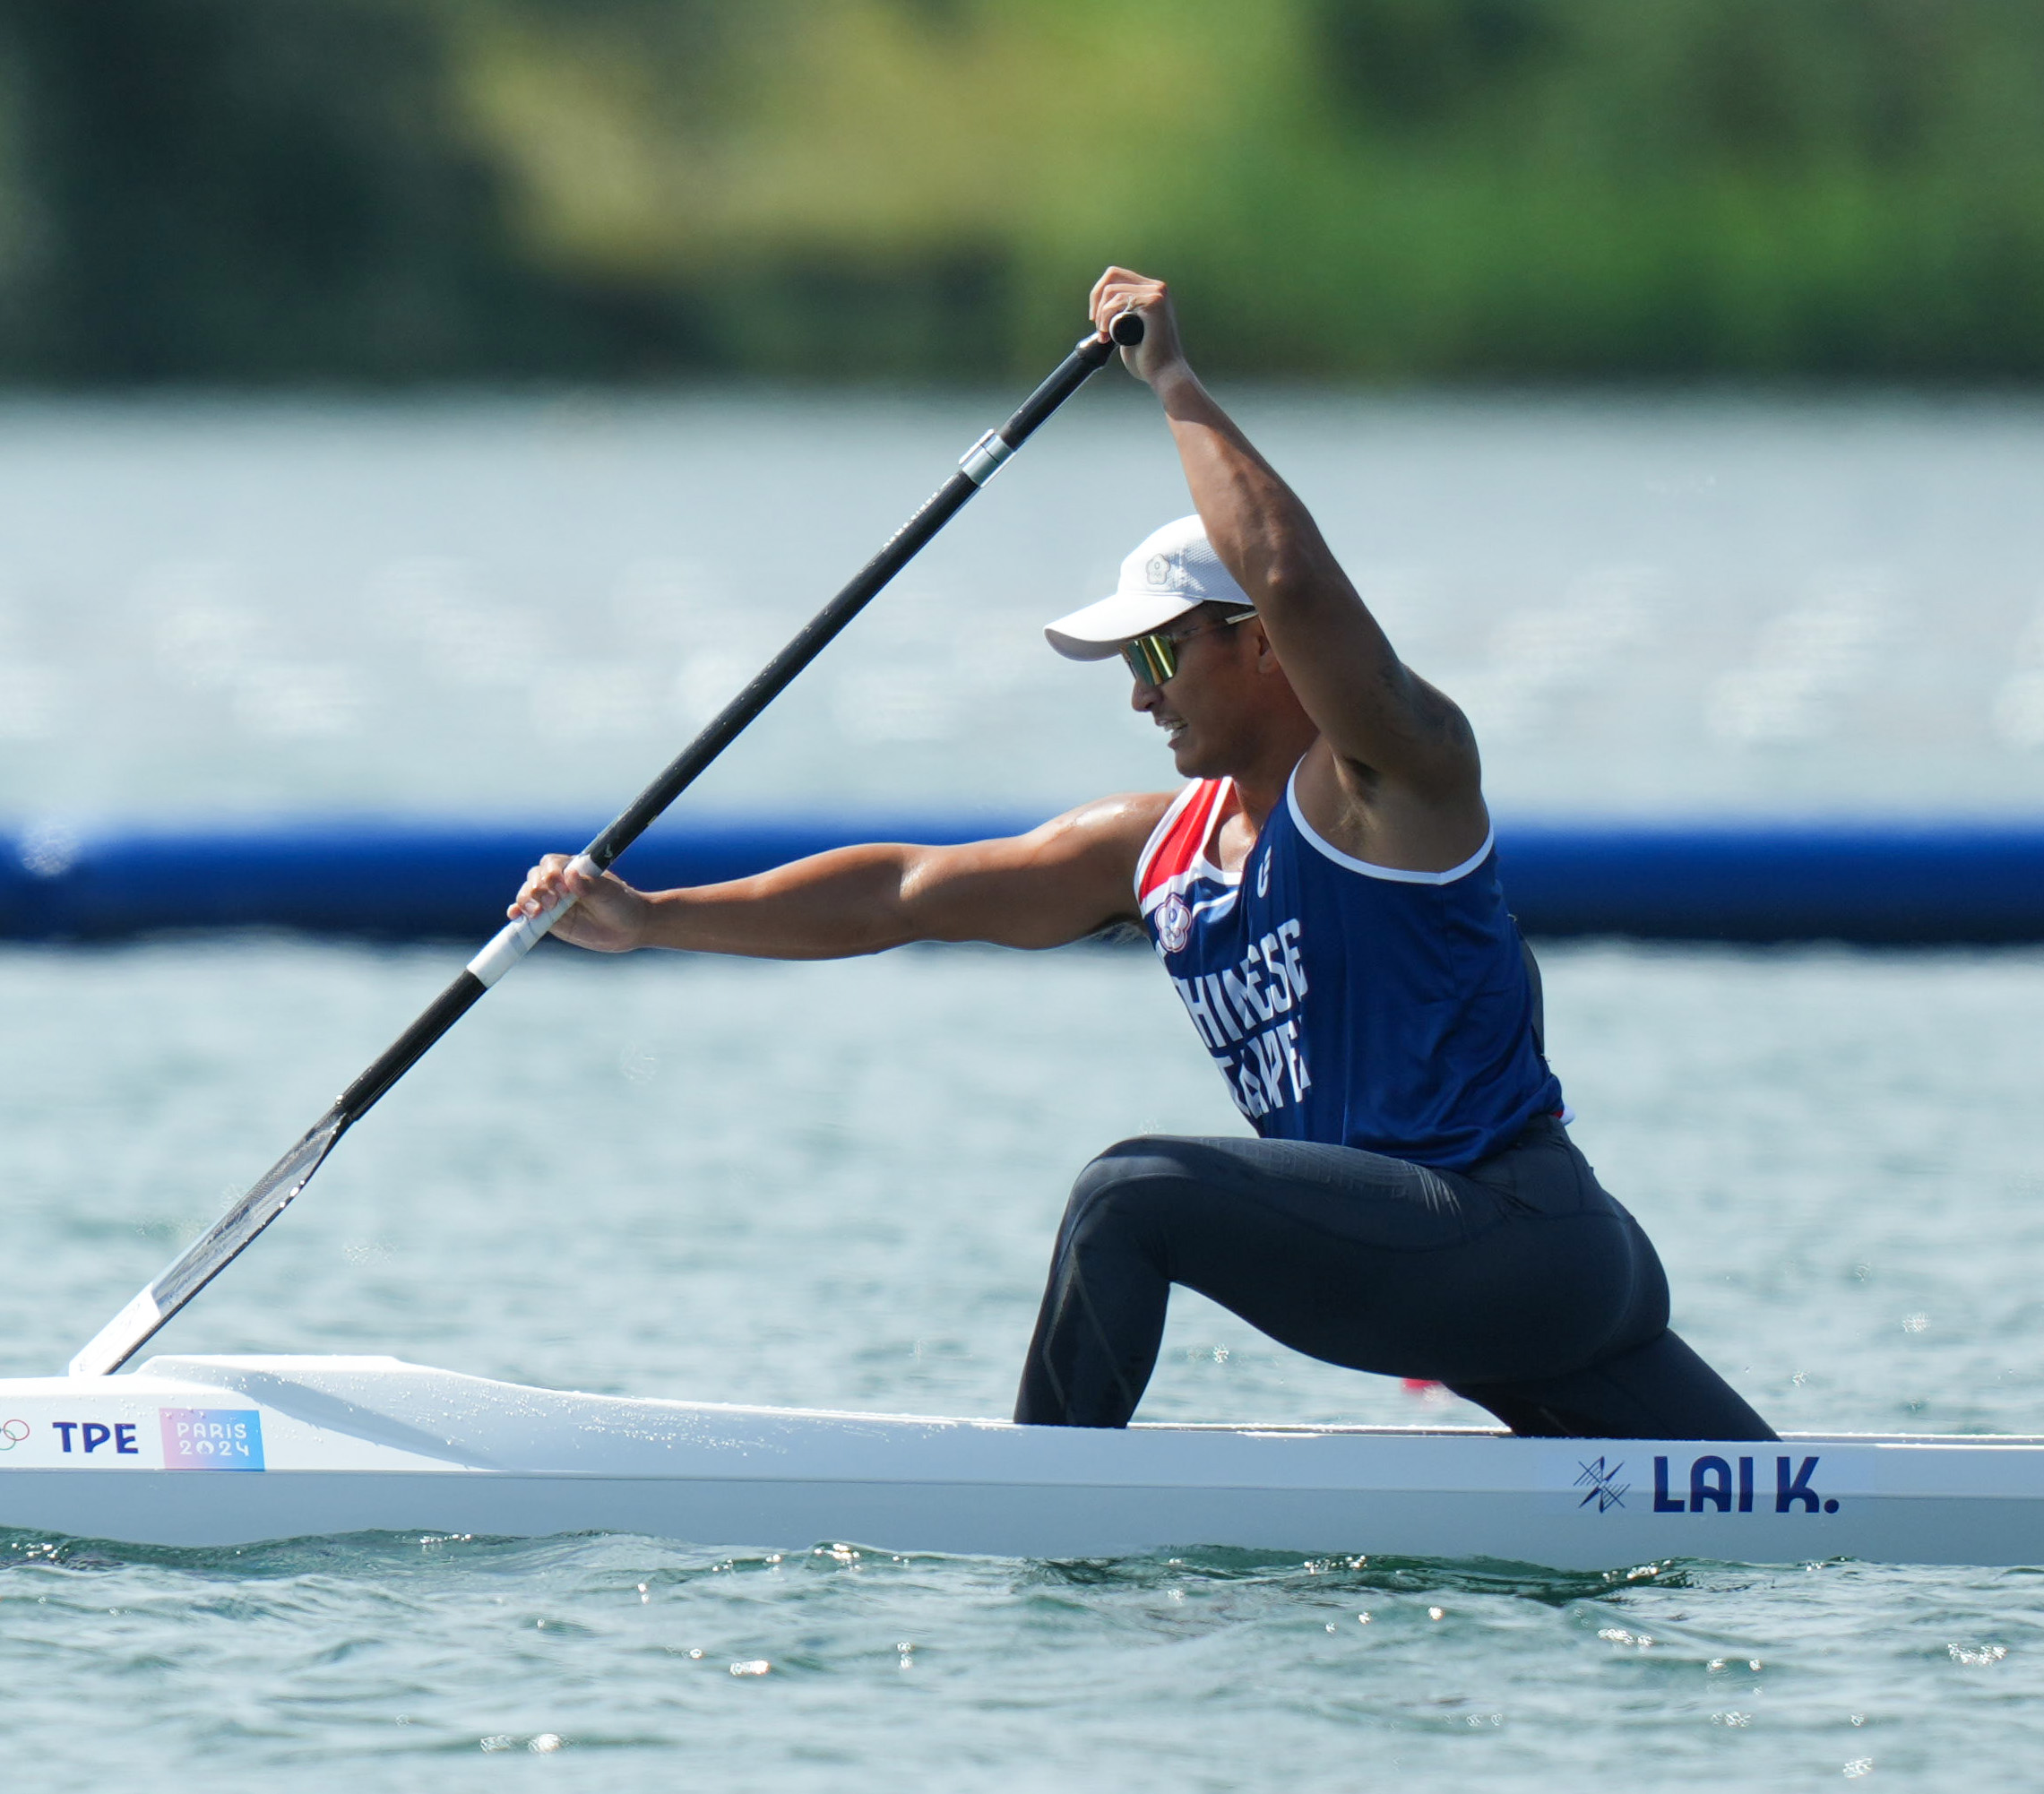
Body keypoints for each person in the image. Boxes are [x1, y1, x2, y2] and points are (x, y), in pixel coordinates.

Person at [512, 266, 1776, 1442]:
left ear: (1260, 645)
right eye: (1129, 663)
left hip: (1509, 1244)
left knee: (1129, 1195)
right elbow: (902, 892)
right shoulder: (1153, 847)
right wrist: (653, 916)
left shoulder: (1395, 785)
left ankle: (1035, 1511)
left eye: (1161, 653)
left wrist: (1172, 386)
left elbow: (1284, 568)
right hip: (1459, 1274)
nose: (1139, 693)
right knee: (1785, 1517)